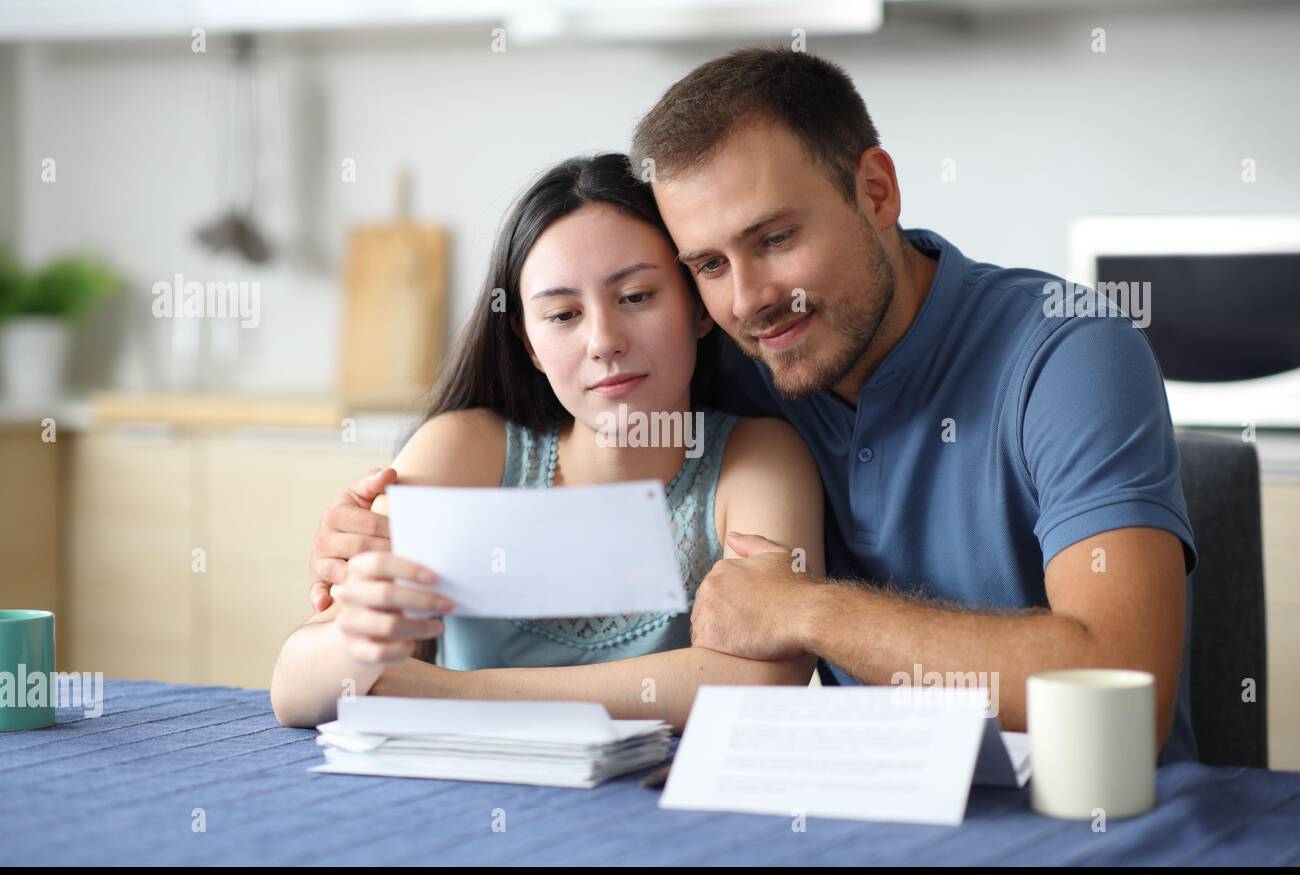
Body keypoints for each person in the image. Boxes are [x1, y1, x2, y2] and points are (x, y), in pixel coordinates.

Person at [309, 47, 1201, 765]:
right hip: (862, 815)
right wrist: (367, 545)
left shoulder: (1068, 353)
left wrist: (807, 609)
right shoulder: (736, 365)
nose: (748, 300)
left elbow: (1125, 686)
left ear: (876, 191)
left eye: (775, 239)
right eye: (707, 265)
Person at [271, 152, 824, 730]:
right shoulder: (462, 452)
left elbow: (763, 679)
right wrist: (356, 643)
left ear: (698, 309)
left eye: (636, 297)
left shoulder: (758, 459)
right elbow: (294, 691)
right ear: (529, 343)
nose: (603, 341)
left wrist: (453, 695)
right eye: (562, 314)